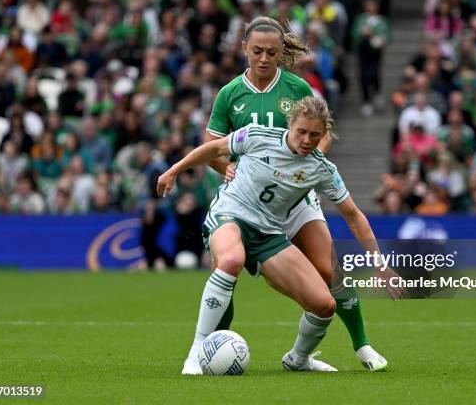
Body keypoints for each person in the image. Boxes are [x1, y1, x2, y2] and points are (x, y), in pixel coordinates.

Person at [157, 97, 403, 374]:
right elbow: (214, 148)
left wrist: (380, 264)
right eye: (302, 131)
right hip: (230, 214)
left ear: (323, 135)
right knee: (230, 260)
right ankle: (197, 350)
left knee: (324, 305)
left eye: (315, 135)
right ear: (290, 124)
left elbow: (354, 216)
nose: (307, 140)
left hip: (268, 232)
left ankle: (298, 359)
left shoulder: (321, 169)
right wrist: (175, 170)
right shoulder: (256, 134)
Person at [202, 16, 385, 370]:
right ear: (244, 49)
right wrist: (222, 167)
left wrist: (309, 161)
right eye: (257, 51)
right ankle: (212, 350)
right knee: (225, 270)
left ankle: (362, 345)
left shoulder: (298, 89)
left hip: (297, 198)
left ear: (281, 52)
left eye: (272, 52)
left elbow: (323, 132)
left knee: (330, 269)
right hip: (247, 201)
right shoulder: (230, 94)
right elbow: (212, 145)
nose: (264, 58)